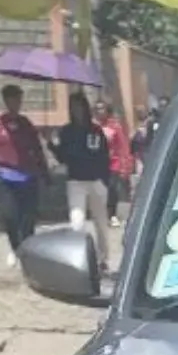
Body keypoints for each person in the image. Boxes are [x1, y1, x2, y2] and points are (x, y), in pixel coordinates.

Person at [0, 84, 48, 265]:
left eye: (18, 100)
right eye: (12, 100)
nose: (16, 104)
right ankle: (16, 247)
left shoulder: (25, 124)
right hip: (6, 175)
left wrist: (44, 171)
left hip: (27, 176)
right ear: (6, 101)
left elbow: (37, 149)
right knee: (10, 215)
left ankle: (28, 249)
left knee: (28, 217)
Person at [53, 92, 112, 274]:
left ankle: (103, 259)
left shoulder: (95, 130)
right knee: (77, 221)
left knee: (101, 223)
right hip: (76, 182)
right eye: (73, 107)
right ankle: (80, 259)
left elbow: (103, 156)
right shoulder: (66, 132)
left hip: (95, 181)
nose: (77, 110)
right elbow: (62, 157)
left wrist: (104, 181)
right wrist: (52, 145)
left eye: (79, 106)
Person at [97, 100, 133, 229]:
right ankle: (103, 214)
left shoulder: (115, 127)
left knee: (112, 188)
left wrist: (126, 165)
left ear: (107, 110)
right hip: (99, 163)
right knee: (101, 190)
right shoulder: (95, 126)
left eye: (102, 108)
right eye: (98, 109)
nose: (100, 111)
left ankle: (112, 214)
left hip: (114, 163)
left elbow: (123, 146)